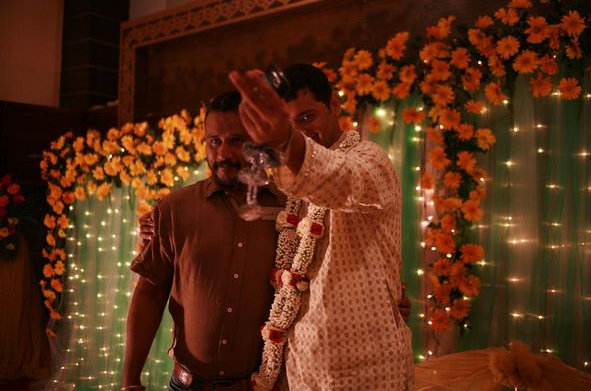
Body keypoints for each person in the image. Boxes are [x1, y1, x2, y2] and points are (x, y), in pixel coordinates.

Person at [123, 89, 411, 391]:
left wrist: (390, 300)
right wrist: (130, 383)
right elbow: (149, 295)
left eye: (237, 141)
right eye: (214, 141)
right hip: (188, 385)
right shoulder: (175, 208)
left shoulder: (293, 209)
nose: (223, 154)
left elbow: (325, 270)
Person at [229, 64, 414, 390]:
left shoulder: (371, 160)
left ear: (335, 105)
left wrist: (286, 141)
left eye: (307, 117)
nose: (301, 132)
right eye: (288, 124)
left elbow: (343, 180)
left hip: (367, 369)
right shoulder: (286, 182)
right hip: (301, 367)